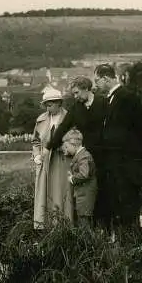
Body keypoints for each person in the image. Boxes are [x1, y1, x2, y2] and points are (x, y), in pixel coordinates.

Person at [93, 63, 142, 237]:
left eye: (97, 81)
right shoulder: (112, 98)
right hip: (117, 163)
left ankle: (131, 244)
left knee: (127, 206)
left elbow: (140, 127)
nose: (96, 85)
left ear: (106, 78)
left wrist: (137, 156)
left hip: (127, 164)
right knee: (120, 204)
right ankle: (125, 242)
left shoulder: (126, 97)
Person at [45, 76, 107, 224]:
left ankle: (105, 233)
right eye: (73, 93)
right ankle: (90, 234)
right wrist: (49, 147)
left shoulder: (103, 103)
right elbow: (62, 128)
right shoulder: (76, 108)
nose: (75, 96)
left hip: (105, 155)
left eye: (77, 92)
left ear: (86, 88)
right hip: (86, 157)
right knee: (86, 195)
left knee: (104, 194)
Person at [32, 87, 74, 228]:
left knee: (61, 193)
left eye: (50, 105)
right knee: (44, 194)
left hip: (62, 162)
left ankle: (62, 226)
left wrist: (65, 148)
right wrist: (37, 155)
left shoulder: (69, 118)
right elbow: (36, 141)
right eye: (46, 105)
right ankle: (44, 226)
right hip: (45, 162)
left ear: (59, 103)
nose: (47, 108)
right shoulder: (41, 120)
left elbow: (75, 140)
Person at [61, 129, 97, 229]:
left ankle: (87, 242)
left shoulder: (84, 156)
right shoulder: (80, 155)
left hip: (85, 195)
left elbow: (84, 174)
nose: (67, 150)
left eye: (67, 147)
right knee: (82, 218)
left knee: (84, 220)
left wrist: (72, 178)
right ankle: (87, 240)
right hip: (83, 194)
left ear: (74, 145)